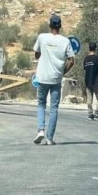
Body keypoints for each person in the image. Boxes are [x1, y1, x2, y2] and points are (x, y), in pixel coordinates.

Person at [32, 15, 75, 145]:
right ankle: (50, 138)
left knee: (41, 104)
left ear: (50, 25)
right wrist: (62, 72)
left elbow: (37, 55)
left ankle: (41, 130)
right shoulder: (65, 41)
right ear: (60, 26)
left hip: (42, 77)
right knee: (54, 108)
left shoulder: (42, 37)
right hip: (56, 78)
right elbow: (71, 60)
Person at [84, 42, 98, 121]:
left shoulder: (86, 58)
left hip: (87, 81)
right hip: (96, 81)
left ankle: (90, 113)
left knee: (89, 98)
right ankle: (97, 113)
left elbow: (85, 68)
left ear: (89, 48)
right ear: (95, 48)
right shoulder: (97, 58)